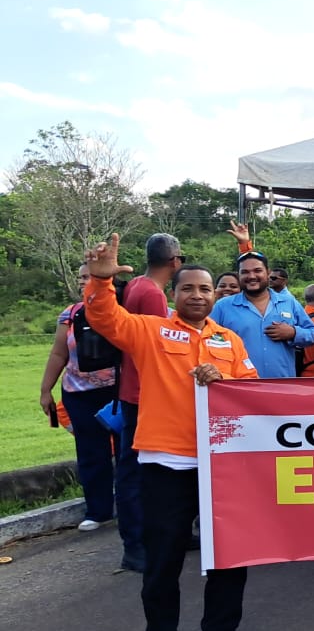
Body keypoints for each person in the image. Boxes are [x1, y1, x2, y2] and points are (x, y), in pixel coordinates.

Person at [83, 234, 258, 631]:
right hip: (167, 464)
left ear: (215, 295)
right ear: (173, 294)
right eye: (188, 288)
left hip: (221, 466)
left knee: (228, 559)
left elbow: (252, 391)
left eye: (205, 289)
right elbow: (104, 318)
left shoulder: (230, 341)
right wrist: (101, 282)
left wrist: (224, 380)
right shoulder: (150, 331)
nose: (198, 295)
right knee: (163, 561)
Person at [115, 232, 185, 573]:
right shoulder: (153, 295)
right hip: (143, 393)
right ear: (175, 262)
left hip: (133, 389)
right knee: (136, 471)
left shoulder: (137, 287)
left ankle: (159, 535)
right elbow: (162, 350)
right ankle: (136, 544)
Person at [38, 264, 119, 532]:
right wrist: (45, 390)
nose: (86, 281)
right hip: (78, 393)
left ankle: (133, 507)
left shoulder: (123, 310)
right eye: (82, 277)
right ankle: (98, 511)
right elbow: (58, 354)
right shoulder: (70, 314)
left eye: (91, 276)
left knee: (127, 450)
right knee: (91, 452)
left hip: (118, 391)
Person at [210, 250, 314, 378]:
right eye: (245, 272)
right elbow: (207, 339)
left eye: (257, 271)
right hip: (240, 387)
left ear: (268, 272)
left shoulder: (289, 302)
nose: (251, 276)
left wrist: (293, 333)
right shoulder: (223, 306)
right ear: (238, 275)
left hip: (283, 386)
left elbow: (313, 333)